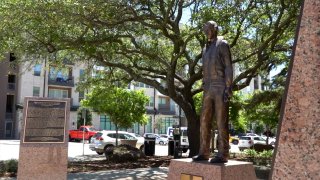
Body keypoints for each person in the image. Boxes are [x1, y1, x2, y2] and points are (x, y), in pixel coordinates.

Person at [192, 21, 233, 163]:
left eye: (209, 29)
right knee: (204, 120)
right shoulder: (205, 48)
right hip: (208, 87)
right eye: (205, 29)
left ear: (215, 29)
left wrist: (229, 87)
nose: (207, 31)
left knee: (221, 120)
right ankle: (204, 152)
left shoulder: (222, 44)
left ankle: (223, 153)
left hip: (220, 84)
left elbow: (228, 66)